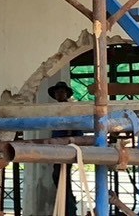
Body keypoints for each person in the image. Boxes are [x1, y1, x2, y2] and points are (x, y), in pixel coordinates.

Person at [47, 82, 79, 216]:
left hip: (66, 147)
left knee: (61, 177)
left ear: (66, 94)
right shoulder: (56, 110)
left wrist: (73, 141)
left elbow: (77, 127)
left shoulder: (70, 109)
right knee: (60, 177)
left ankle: (69, 209)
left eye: (61, 92)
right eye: (57, 92)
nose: (59, 94)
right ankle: (68, 208)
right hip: (57, 147)